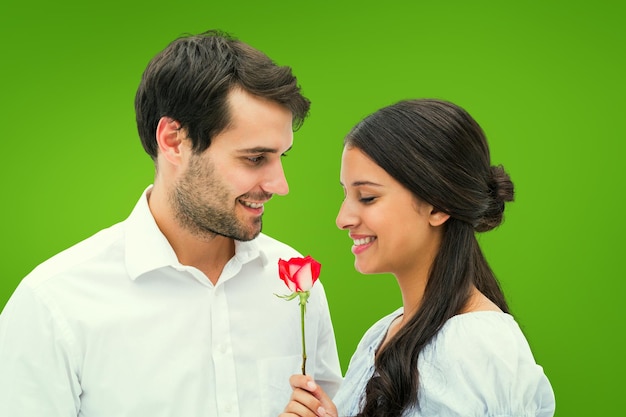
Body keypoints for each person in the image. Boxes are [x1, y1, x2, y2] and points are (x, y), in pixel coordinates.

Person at [0, 30, 342, 416]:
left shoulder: (297, 284)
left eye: (282, 157)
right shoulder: (53, 306)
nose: (280, 185)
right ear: (174, 140)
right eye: (255, 158)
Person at [281, 99, 555, 417]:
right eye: (346, 194)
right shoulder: (384, 333)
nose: (343, 218)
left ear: (438, 206)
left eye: (367, 197)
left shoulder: (474, 347)